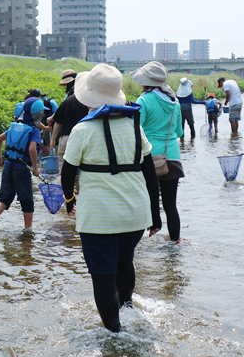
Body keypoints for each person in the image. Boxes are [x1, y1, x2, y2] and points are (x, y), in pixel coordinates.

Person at [60, 63, 160, 333]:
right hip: (136, 214)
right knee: (125, 260)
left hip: (99, 218)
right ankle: (127, 310)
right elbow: (150, 173)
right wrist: (156, 214)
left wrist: (70, 200)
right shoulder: (134, 127)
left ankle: (115, 337)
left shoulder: (82, 131)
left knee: (103, 276)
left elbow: (67, 175)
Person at [131, 61, 184, 242]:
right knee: (171, 205)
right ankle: (175, 243)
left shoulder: (143, 100)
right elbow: (179, 132)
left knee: (144, 202)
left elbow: (137, 130)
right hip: (172, 156)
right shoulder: (174, 101)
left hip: (150, 157)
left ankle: (138, 244)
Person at [0, 97, 44, 230]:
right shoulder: (33, 131)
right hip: (22, 169)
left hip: (8, 166)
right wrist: (35, 168)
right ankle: (28, 230)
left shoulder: (14, 127)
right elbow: (31, 149)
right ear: (37, 115)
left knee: (5, 198)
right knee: (27, 200)